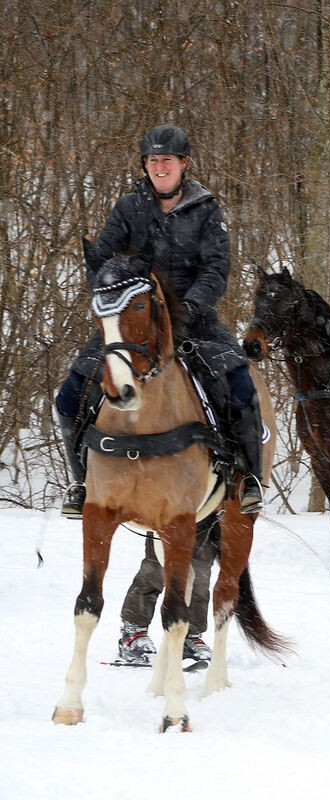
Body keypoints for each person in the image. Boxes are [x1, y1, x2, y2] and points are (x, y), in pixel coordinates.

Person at [55, 123, 265, 518]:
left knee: (241, 388)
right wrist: (112, 302)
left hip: (193, 318)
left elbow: (216, 268)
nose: (160, 167)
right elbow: (100, 264)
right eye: (153, 160)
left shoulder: (206, 209)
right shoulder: (128, 208)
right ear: (145, 165)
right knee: (69, 395)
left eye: (167, 159)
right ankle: (81, 482)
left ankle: (246, 478)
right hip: (132, 322)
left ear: (184, 164)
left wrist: (190, 307)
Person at [116, 526, 219, 665]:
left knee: (200, 573)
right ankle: (133, 631)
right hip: (168, 517)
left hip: (207, 518)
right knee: (156, 568)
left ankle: (190, 636)